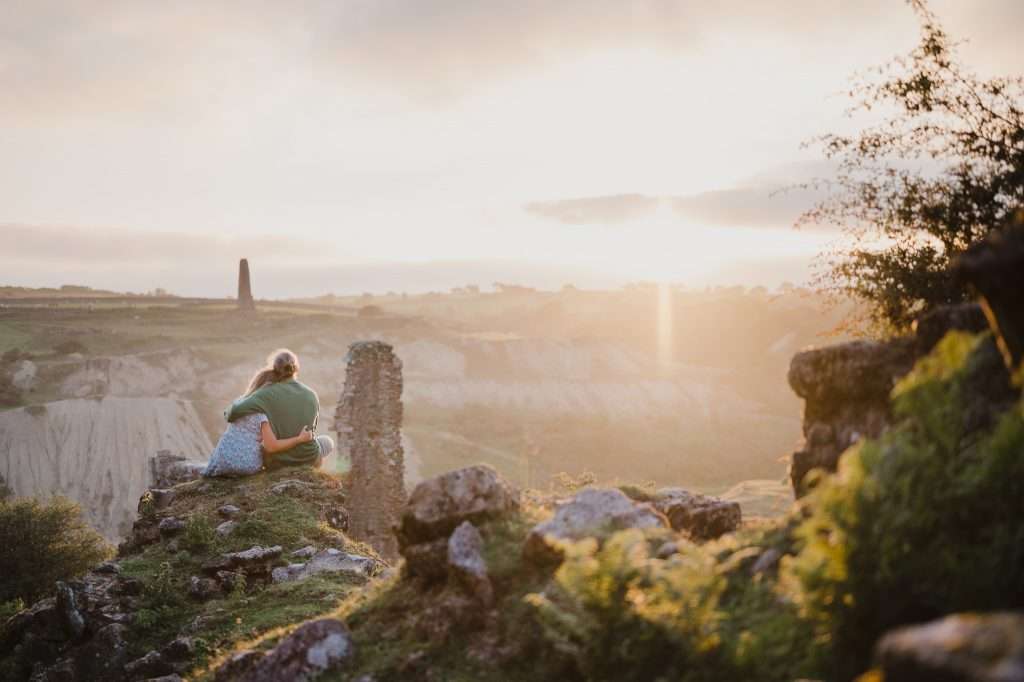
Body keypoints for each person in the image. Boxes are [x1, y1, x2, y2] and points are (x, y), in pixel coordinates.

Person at [203, 349, 334, 477]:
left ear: (275, 369)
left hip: (278, 463)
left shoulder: (265, 394)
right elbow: (311, 431)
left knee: (263, 448)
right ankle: (315, 465)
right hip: (309, 458)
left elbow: (233, 413)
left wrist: (229, 411)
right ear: (296, 368)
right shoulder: (312, 395)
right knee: (327, 441)